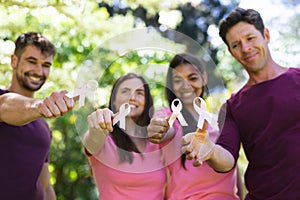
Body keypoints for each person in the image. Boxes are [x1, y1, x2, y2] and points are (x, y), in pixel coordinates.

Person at [182, 7, 300, 199]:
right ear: (230, 52)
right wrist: (210, 150)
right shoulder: (233, 106)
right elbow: (227, 159)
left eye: (250, 38)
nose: (245, 48)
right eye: (236, 45)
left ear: (266, 35)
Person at [147, 53, 243, 199]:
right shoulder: (169, 115)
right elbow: (164, 128)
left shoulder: (221, 123)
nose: (186, 86)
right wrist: (159, 128)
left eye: (192, 78)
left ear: (203, 78)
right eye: (178, 80)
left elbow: (234, 170)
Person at [0, 32, 76, 199]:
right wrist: (40, 106)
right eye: (32, 61)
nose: (38, 71)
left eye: (46, 65)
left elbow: (46, 185)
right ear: (14, 61)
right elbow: (5, 104)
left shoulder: (42, 126)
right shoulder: (2, 99)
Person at [82, 73, 167, 200]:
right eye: (125, 91)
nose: (132, 97)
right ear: (114, 100)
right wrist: (97, 127)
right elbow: (92, 140)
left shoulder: (157, 143)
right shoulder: (104, 140)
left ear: (146, 102)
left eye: (139, 93)